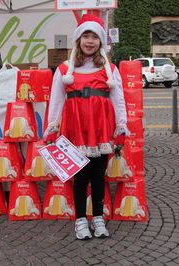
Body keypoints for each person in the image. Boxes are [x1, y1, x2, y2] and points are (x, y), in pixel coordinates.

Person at [43, 14, 129, 240]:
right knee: (80, 178)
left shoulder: (109, 69)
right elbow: (56, 100)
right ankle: (80, 220)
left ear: (101, 41)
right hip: (74, 129)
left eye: (94, 37)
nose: (90, 41)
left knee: (99, 176)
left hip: (101, 128)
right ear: (78, 39)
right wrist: (52, 128)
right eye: (85, 36)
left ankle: (98, 218)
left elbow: (118, 101)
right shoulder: (64, 69)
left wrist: (121, 128)